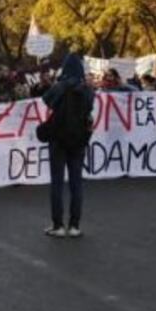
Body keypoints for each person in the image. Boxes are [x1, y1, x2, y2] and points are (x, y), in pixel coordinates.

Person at [41, 53, 95, 238]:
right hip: (78, 140)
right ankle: (74, 226)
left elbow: (46, 100)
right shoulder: (87, 90)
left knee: (57, 183)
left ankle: (58, 225)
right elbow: (89, 108)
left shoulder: (59, 87)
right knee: (76, 183)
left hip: (58, 139)